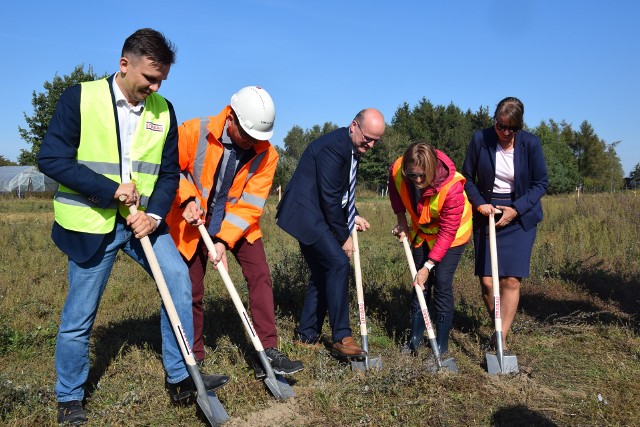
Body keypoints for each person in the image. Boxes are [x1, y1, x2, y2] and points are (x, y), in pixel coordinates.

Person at [37, 28, 229, 426]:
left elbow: (167, 173)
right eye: (149, 78)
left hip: (143, 223)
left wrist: (155, 216)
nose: (154, 87)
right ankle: (69, 397)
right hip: (92, 224)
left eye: (161, 81)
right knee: (80, 316)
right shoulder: (80, 98)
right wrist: (111, 191)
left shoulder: (164, 109)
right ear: (124, 64)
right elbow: (52, 159)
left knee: (178, 284)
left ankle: (180, 377)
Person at [165, 86, 303, 377]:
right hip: (192, 217)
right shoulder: (193, 131)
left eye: (259, 138)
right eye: (249, 136)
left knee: (260, 276)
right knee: (192, 289)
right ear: (231, 118)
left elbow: (250, 205)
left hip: (238, 222)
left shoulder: (267, 154)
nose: (254, 143)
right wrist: (189, 198)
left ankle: (267, 351)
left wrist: (223, 241)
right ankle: (195, 359)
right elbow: (169, 170)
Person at [276, 108, 385, 358]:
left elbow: (342, 189)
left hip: (316, 214)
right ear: (354, 125)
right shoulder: (335, 147)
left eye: (375, 141)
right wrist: (344, 238)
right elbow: (329, 197)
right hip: (306, 215)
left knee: (324, 271)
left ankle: (307, 334)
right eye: (367, 137)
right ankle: (342, 337)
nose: (369, 144)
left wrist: (353, 214)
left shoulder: (350, 148)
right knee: (337, 263)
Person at [461, 96, 548, 351]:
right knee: (488, 281)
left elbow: (541, 183)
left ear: (520, 127)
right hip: (486, 213)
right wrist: (479, 203)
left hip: (519, 216)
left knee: (511, 280)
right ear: (494, 121)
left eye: (512, 128)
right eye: (501, 126)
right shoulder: (480, 139)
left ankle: (501, 337)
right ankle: (498, 326)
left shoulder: (531, 144)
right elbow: (466, 177)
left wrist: (516, 210)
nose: (506, 132)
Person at [389, 141, 472, 355]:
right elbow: (395, 192)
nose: (417, 180)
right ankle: (415, 339)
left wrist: (428, 266)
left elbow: (447, 232)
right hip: (422, 231)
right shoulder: (399, 169)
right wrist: (402, 222)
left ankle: (441, 346)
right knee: (419, 283)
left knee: (442, 283)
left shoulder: (451, 187)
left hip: (452, 236)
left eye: (422, 176)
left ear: (432, 169)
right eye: (412, 175)